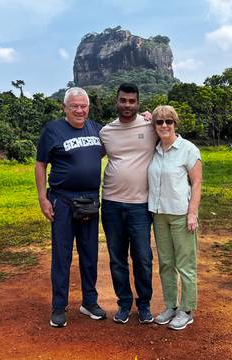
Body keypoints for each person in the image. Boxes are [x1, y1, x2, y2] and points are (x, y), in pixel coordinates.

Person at [35, 87, 106, 328]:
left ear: (88, 107)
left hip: (89, 201)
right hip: (62, 201)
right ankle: (58, 306)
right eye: (74, 106)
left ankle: (89, 301)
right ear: (65, 107)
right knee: (62, 255)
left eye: (83, 106)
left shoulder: (97, 129)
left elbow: (120, 135)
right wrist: (43, 199)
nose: (79, 110)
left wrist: (146, 120)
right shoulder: (53, 130)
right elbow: (40, 165)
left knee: (89, 254)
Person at [99, 83, 157, 324]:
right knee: (117, 258)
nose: (127, 105)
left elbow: (172, 137)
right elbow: (90, 156)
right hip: (111, 203)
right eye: (123, 100)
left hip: (140, 205)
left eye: (132, 101)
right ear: (117, 101)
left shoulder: (151, 126)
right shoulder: (106, 132)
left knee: (143, 257)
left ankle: (143, 304)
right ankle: (123, 304)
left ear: (138, 103)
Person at [148, 105, 202, 330]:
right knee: (166, 263)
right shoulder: (154, 149)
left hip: (181, 215)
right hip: (159, 214)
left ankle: (186, 310)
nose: (164, 126)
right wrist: (146, 116)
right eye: (159, 122)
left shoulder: (187, 149)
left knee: (185, 264)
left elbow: (197, 183)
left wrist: (192, 213)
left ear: (175, 124)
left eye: (168, 122)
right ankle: (171, 305)